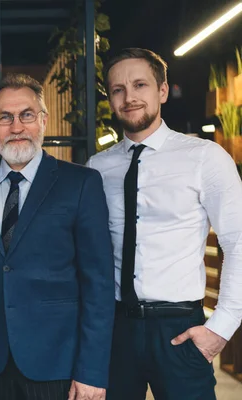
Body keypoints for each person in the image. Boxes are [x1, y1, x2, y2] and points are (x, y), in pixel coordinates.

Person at [87, 48, 242, 400]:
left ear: (162, 90)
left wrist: (221, 327)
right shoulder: (96, 168)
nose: (129, 98)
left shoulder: (204, 157)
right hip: (114, 328)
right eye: (117, 90)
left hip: (179, 328)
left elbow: (238, 241)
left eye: (139, 85)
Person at [0, 73, 115, 400]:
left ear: (43, 120)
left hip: (60, 366)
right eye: (4, 117)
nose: (16, 127)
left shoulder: (81, 184)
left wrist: (92, 371)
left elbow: (98, 283)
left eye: (26, 115)